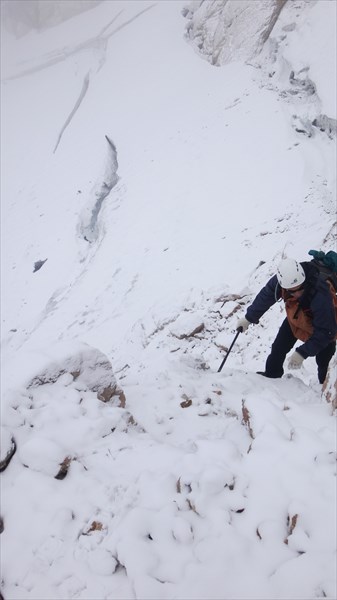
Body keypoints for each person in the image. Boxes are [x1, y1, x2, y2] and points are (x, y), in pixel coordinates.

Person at [237, 257, 337, 383]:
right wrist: (248, 318)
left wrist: (302, 352)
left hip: (324, 325)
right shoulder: (281, 281)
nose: (298, 293)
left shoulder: (320, 293)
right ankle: (272, 377)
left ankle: (326, 390)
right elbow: (266, 295)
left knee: (325, 363)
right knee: (278, 348)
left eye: (300, 288)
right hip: (296, 317)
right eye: (292, 291)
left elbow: (326, 331)